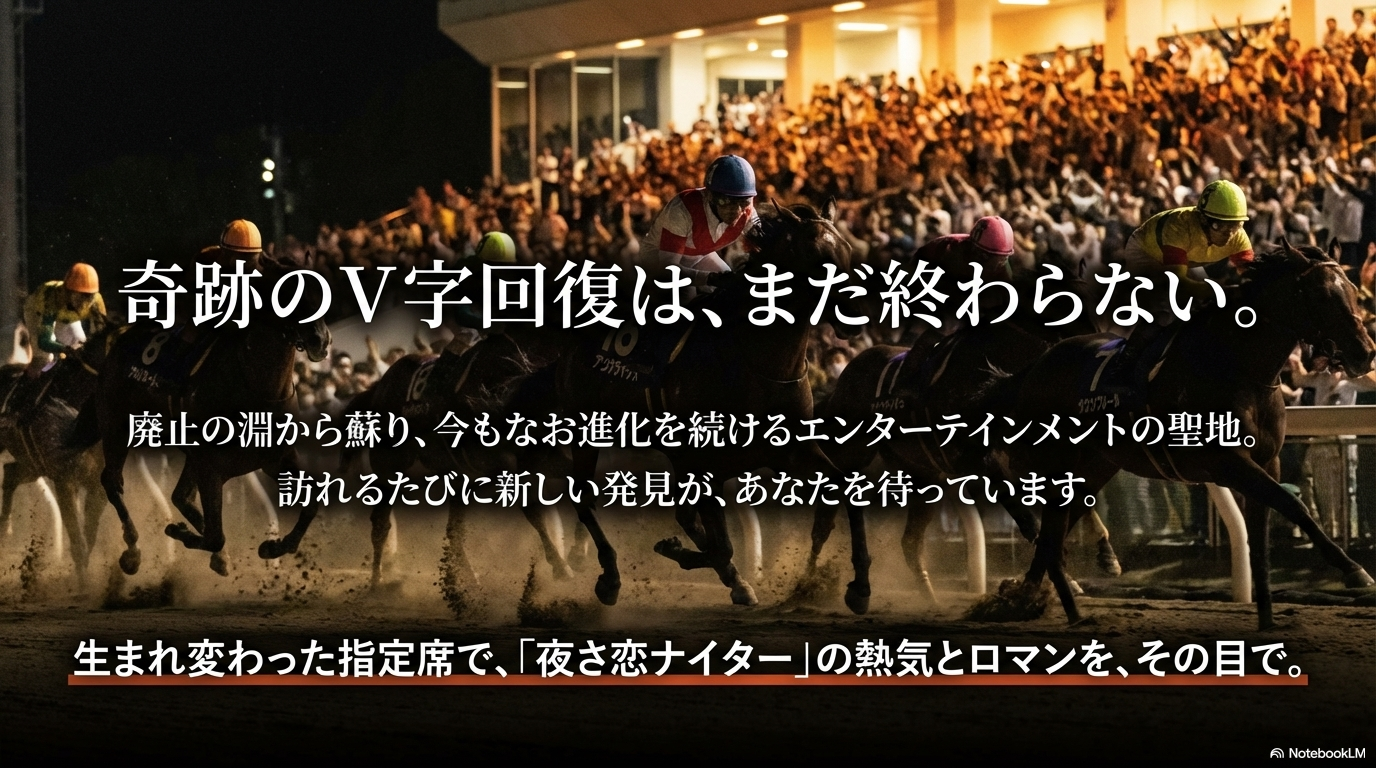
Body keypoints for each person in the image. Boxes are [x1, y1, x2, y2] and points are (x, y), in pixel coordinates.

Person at [636, 154, 758, 297]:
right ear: (710, 196)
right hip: (658, 258)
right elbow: (668, 270)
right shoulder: (682, 210)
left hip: (697, 255)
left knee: (732, 289)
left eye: (743, 201)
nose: (736, 211)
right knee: (686, 294)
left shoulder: (748, 212)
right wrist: (708, 278)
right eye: (726, 201)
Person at [1122, 178, 1253, 302]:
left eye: (1235, 225)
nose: (1229, 234)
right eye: (1219, 225)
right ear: (1203, 219)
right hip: (1146, 252)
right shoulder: (1179, 228)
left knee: (1204, 296)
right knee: (1162, 301)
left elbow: (1251, 273)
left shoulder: (1238, 234)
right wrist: (1223, 292)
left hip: (1185, 253)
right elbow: (1178, 284)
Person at [23, 262, 106, 379]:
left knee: (80, 343)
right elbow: (44, 341)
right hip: (37, 312)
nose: (84, 303)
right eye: (80, 296)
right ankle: (27, 379)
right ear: (68, 292)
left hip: (64, 316)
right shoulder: (52, 299)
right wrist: (64, 349)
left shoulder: (96, 301)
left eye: (88, 297)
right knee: (43, 358)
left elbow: (103, 334)